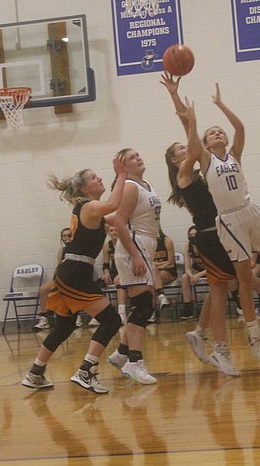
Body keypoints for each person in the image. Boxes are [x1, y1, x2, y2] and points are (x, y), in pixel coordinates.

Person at [21, 154, 127, 394]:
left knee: (64, 326)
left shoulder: (91, 211)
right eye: (93, 177)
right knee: (112, 319)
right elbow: (113, 205)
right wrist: (121, 174)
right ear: (83, 188)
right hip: (75, 273)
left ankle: (35, 373)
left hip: (72, 272)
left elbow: (118, 216)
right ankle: (86, 371)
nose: (99, 178)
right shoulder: (89, 207)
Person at [196, 82, 260, 357]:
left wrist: (221, 106)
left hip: (250, 210)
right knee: (244, 278)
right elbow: (194, 140)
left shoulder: (234, 154)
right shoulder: (206, 161)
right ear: (206, 144)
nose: (218, 133)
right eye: (212, 133)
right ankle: (254, 335)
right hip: (229, 220)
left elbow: (241, 129)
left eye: (220, 130)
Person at [162, 73, 242, 373]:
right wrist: (186, 114)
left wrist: (175, 95)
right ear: (174, 161)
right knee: (222, 288)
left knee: (222, 286)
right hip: (209, 236)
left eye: (185, 147)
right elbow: (192, 136)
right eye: (179, 150)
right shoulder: (185, 176)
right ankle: (219, 347)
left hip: (224, 233)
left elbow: (192, 136)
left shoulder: (201, 170)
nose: (186, 148)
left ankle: (200, 332)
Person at [107, 148, 162, 384]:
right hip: (134, 245)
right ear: (124, 167)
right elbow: (119, 223)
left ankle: (121, 353)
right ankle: (134, 362)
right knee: (143, 306)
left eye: (139, 154)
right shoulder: (130, 185)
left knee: (147, 303)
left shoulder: (146, 183)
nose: (138, 157)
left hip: (145, 244)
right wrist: (136, 255)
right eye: (132, 157)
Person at [34, 227, 72, 331]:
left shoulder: (78, 249)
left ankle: (75, 316)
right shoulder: (61, 251)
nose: (66, 238)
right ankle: (44, 318)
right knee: (43, 289)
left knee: (69, 289)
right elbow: (60, 267)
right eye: (64, 236)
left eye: (69, 235)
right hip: (62, 278)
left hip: (75, 279)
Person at [100, 224, 128, 325]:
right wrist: (106, 273)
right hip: (114, 271)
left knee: (119, 283)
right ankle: (102, 313)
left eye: (116, 230)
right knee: (97, 285)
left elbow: (129, 262)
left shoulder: (125, 243)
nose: (114, 232)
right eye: (111, 231)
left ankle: (122, 312)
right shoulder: (107, 245)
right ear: (108, 232)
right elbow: (106, 264)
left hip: (126, 271)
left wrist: (121, 274)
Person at [179, 225, 206, 321]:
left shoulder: (207, 244)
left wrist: (198, 276)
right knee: (184, 277)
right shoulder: (187, 246)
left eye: (195, 234)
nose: (193, 237)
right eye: (191, 235)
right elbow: (187, 267)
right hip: (197, 269)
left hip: (210, 269)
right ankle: (188, 307)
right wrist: (191, 276)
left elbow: (213, 267)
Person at [152, 229, 176, 314]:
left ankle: (152, 312)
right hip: (154, 274)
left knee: (153, 278)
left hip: (168, 271)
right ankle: (161, 297)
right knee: (151, 282)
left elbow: (171, 262)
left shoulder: (167, 240)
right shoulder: (147, 243)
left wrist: (156, 265)